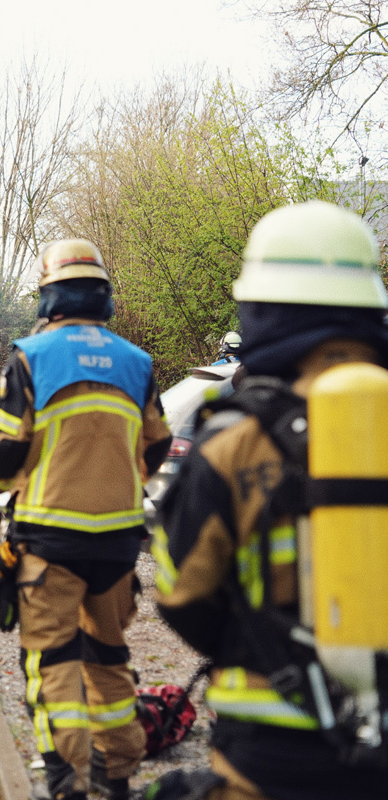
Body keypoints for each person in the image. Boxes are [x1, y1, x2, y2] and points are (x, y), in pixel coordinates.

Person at [149, 200, 388, 800]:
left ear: (263, 312)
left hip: (268, 757)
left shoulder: (235, 442)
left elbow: (181, 592)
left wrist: (259, 642)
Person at [0, 239, 172, 800]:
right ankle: (119, 772)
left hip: (49, 543)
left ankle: (68, 783)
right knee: (108, 654)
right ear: (103, 296)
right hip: (117, 544)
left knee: (53, 659)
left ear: (50, 296)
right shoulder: (136, 363)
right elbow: (158, 444)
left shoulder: (31, 357)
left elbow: (6, 453)